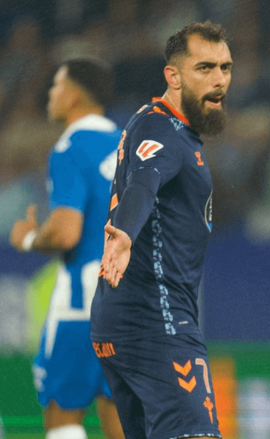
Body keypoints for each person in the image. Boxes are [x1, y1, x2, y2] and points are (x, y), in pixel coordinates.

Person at [90, 21, 232, 439]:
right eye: (204, 68)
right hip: (157, 322)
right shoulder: (162, 129)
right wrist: (125, 234)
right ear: (173, 76)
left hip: (122, 321)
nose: (219, 79)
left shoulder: (158, 125)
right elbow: (143, 185)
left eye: (225, 67)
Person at [9, 59, 124, 439]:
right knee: (120, 419)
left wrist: (28, 238)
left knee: (63, 418)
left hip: (82, 304)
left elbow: (65, 233)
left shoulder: (71, 146)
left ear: (73, 94)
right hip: (131, 301)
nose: (50, 94)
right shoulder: (130, 144)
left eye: (56, 85)